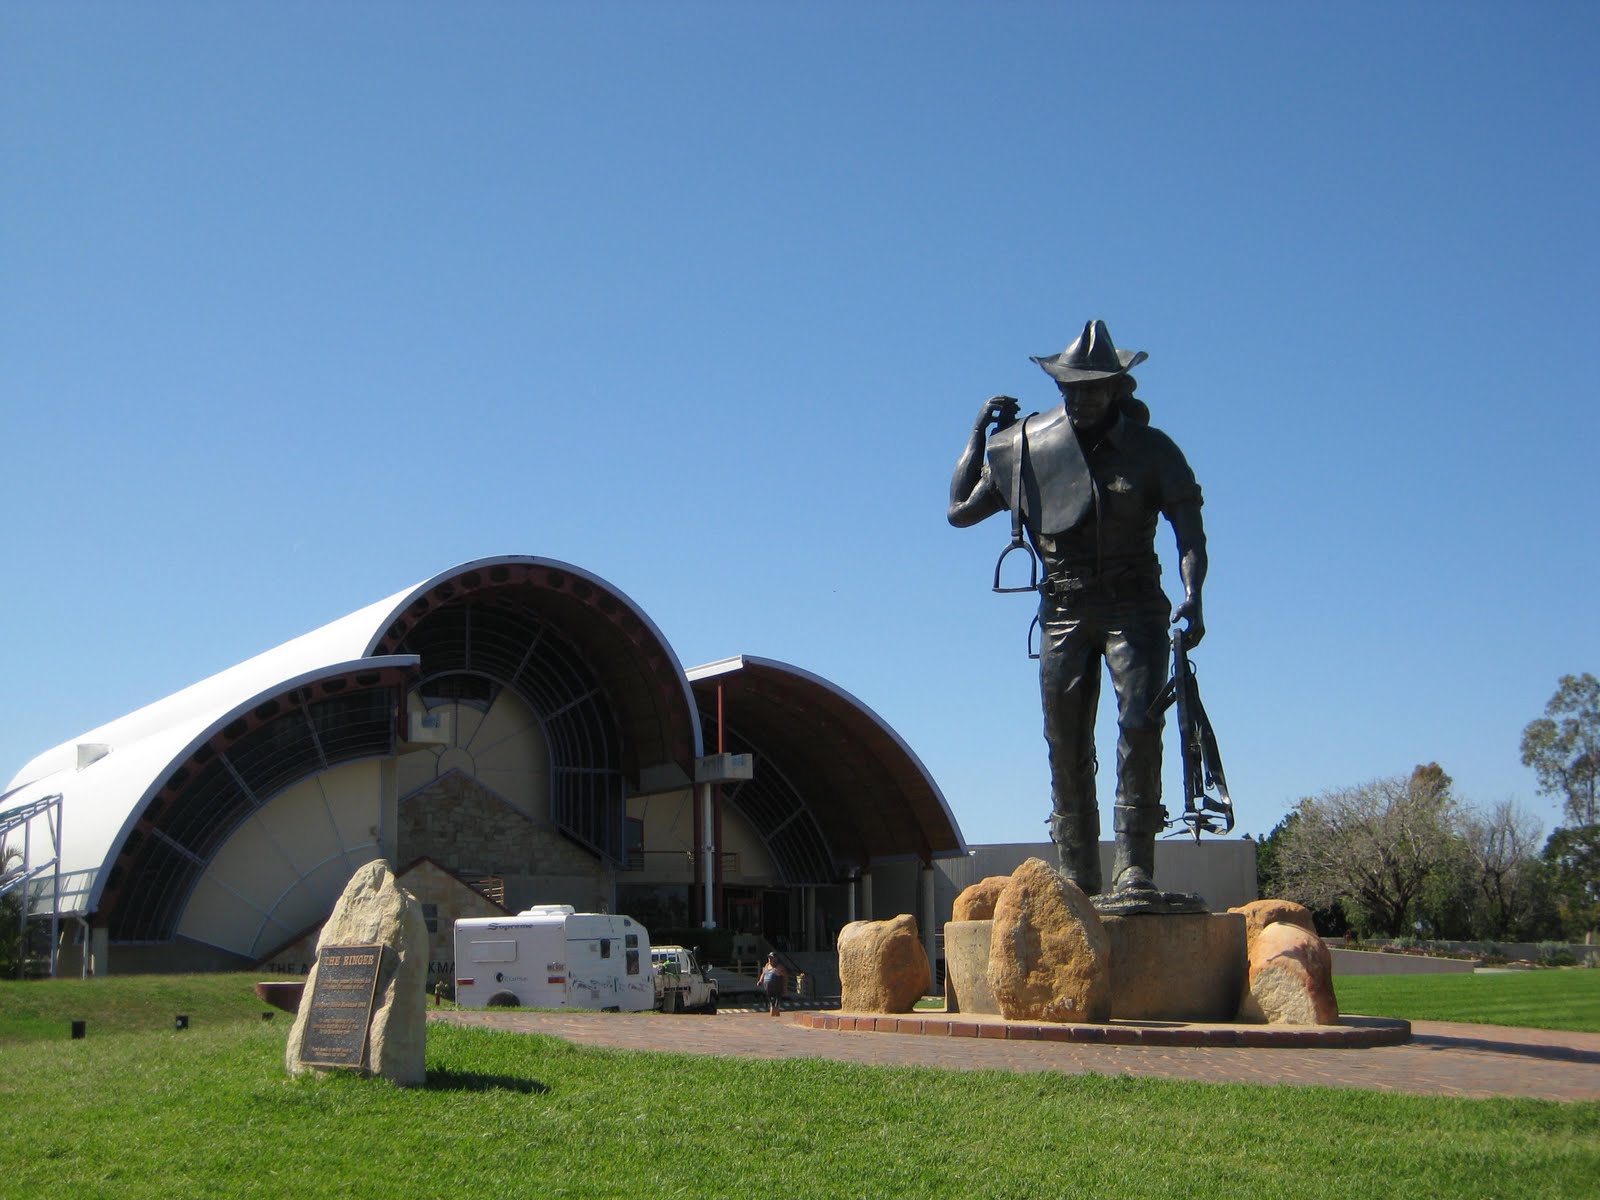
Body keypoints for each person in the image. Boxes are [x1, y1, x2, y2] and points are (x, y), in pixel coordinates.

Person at [947, 319, 1207, 901]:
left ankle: (1134, 866)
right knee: (1064, 741)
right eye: (1069, 388)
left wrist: (1193, 596)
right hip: (1063, 609)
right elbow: (960, 511)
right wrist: (979, 434)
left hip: (1134, 607)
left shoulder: (1153, 451)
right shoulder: (1026, 447)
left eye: (1091, 389)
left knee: (1139, 724)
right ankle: (1077, 871)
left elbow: (1189, 532)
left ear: (1116, 388)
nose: (1079, 399)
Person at [757, 951, 787, 1016]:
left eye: (771, 958)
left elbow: (785, 977)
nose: (770, 959)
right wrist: (760, 981)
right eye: (769, 958)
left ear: (775, 959)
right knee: (770, 999)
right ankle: (772, 1008)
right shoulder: (767, 965)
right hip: (768, 987)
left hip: (777, 986)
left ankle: (776, 1010)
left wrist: (785, 987)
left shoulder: (779, 967)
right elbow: (763, 974)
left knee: (777, 999)